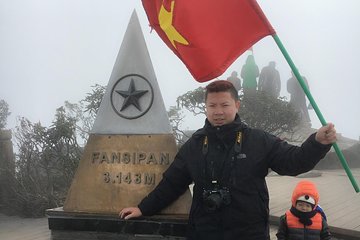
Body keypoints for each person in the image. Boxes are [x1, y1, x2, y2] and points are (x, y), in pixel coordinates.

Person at [120, 80, 337, 240]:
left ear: (237, 105)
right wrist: (143, 208)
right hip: (204, 232)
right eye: (212, 106)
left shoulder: (258, 140)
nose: (218, 112)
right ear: (206, 107)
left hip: (249, 233)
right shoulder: (195, 144)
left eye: (224, 105)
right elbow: (172, 182)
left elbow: (294, 162)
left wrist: (317, 143)